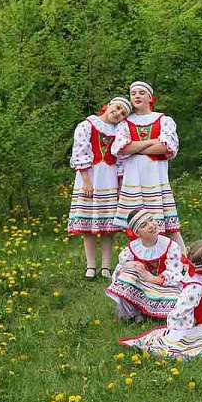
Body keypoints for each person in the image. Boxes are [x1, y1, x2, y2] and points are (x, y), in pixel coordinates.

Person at [111, 81, 184, 249]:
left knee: (169, 227)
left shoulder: (163, 120)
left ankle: (184, 263)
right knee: (136, 227)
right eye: (134, 93)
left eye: (141, 93)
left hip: (156, 179)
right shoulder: (125, 123)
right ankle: (140, 261)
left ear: (150, 98)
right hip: (133, 181)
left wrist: (134, 148)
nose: (137, 96)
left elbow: (166, 147)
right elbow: (121, 148)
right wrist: (151, 143)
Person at [68, 97, 132, 280]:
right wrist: (86, 180)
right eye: (117, 108)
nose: (118, 113)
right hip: (90, 176)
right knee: (88, 224)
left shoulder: (119, 132)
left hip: (109, 178)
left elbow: (121, 159)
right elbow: (80, 152)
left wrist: (120, 184)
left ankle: (105, 266)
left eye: (123, 114)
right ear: (109, 105)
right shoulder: (87, 125)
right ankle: (90, 265)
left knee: (107, 225)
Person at [105, 209, 185, 322]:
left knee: (179, 300)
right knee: (125, 274)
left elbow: (175, 274)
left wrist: (152, 278)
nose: (151, 225)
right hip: (142, 289)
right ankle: (135, 312)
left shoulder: (170, 246)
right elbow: (119, 273)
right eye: (144, 225)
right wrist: (130, 266)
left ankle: (151, 312)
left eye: (151, 220)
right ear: (137, 233)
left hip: (164, 288)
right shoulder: (132, 249)